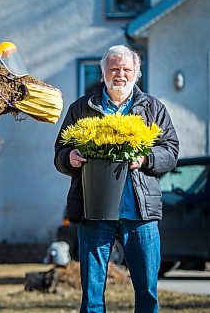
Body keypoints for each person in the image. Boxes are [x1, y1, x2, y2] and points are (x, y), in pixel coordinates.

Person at [54, 45, 179, 313]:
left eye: (126, 69)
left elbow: (170, 151)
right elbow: (59, 153)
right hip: (94, 213)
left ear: (137, 73)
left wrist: (146, 159)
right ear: (103, 74)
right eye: (113, 69)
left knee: (147, 292)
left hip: (140, 214)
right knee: (92, 296)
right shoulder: (81, 108)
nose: (119, 74)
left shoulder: (153, 108)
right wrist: (70, 158)